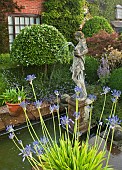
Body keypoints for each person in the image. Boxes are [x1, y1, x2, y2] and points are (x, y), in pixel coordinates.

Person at [71, 31, 88, 100]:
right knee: (78, 78)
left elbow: (86, 50)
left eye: (75, 37)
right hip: (76, 62)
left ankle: (82, 94)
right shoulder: (80, 42)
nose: (75, 38)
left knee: (76, 78)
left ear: (78, 36)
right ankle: (82, 93)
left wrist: (80, 54)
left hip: (79, 63)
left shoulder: (82, 42)